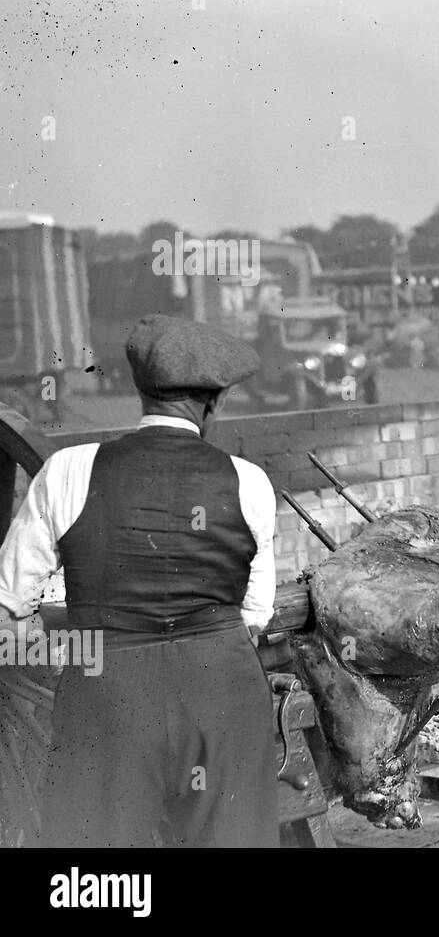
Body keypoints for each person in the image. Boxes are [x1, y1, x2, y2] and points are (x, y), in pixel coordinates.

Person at [0, 315, 280, 846]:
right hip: (222, 692)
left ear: (139, 388)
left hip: (108, 697)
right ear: (217, 401)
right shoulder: (251, 482)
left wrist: (66, 625)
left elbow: (7, 601)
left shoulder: (68, 470)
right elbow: (255, 615)